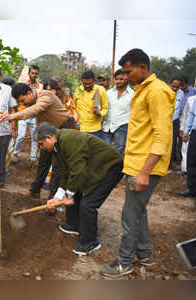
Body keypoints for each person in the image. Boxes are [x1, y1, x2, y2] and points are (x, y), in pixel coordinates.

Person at [101, 49, 175, 278]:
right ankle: (145, 256)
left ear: (143, 67)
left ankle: (124, 263)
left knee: (130, 215)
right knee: (138, 212)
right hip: (136, 163)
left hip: (145, 167)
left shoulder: (157, 92)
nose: (125, 76)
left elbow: (162, 136)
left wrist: (144, 172)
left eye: (128, 71)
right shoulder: (143, 90)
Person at [33, 122, 123, 255]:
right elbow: (66, 173)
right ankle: (74, 225)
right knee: (75, 192)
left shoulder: (69, 140)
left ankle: (90, 242)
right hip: (91, 167)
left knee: (88, 204)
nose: (41, 148)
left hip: (110, 167)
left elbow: (78, 172)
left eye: (41, 144)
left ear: (49, 137)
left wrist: (68, 196)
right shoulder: (57, 146)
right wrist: (57, 198)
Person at [0, 83, 72, 200]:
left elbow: (33, 111)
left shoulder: (46, 96)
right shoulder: (33, 100)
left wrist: (12, 116)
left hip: (64, 129)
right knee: (43, 161)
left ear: (29, 93)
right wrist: (39, 138)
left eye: (23, 101)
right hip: (49, 132)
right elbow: (40, 119)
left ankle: (53, 200)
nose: (23, 104)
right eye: (20, 103)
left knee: (58, 166)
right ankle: (35, 191)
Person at [11, 65, 41, 164]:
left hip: (34, 114)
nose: (34, 75)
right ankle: (15, 153)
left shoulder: (39, 86)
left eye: (36, 73)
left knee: (34, 136)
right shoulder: (23, 86)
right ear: (28, 74)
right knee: (21, 135)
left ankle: (32, 157)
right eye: (32, 73)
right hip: (23, 113)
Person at [101, 69, 134, 155]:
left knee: (118, 150)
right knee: (104, 149)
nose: (118, 81)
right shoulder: (108, 93)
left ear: (127, 79)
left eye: (121, 79)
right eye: (117, 79)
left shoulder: (133, 95)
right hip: (107, 125)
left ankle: (117, 168)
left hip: (122, 126)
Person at [74, 70, 108, 139]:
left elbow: (105, 108)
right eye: (85, 83)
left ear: (94, 81)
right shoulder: (78, 90)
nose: (87, 85)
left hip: (96, 130)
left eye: (90, 83)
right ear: (82, 81)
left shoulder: (101, 90)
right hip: (81, 128)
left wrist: (100, 113)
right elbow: (74, 107)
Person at [179, 97, 196, 198]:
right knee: (191, 160)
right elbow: (191, 115)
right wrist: (186, 130)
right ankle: (191, 189)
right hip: (194, 133)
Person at [169, 77, 185, 167]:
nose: (175, 89)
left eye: (177, 87)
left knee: (173, 142)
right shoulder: (163, 91)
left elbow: (181, 109)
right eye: (173, 86)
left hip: (174, 122)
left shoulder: (181, 94)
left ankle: (169, 164)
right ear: (169, 84)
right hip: (163, 121)